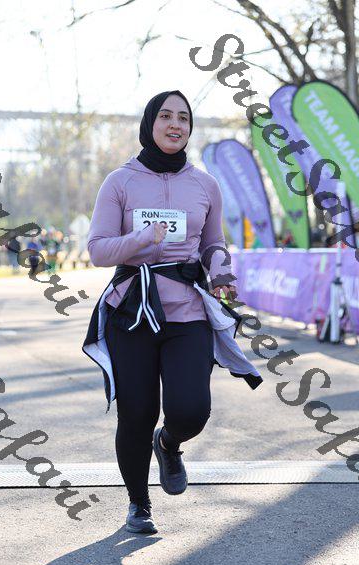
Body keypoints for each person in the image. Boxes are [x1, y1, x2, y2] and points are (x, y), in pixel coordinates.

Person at [83, 90, 263, 535]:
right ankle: (138, 504)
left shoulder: (205, 184)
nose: (175, 124)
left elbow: (213, 243)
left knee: (191, 410)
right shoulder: (119, 181)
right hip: (132, 312)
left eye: (183, 118)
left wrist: (221, 273)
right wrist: (142, 239)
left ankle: (168, 443)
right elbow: (98, 250)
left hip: (188, 311)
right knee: (136, 413)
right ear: (150, 124)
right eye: (165, 116)